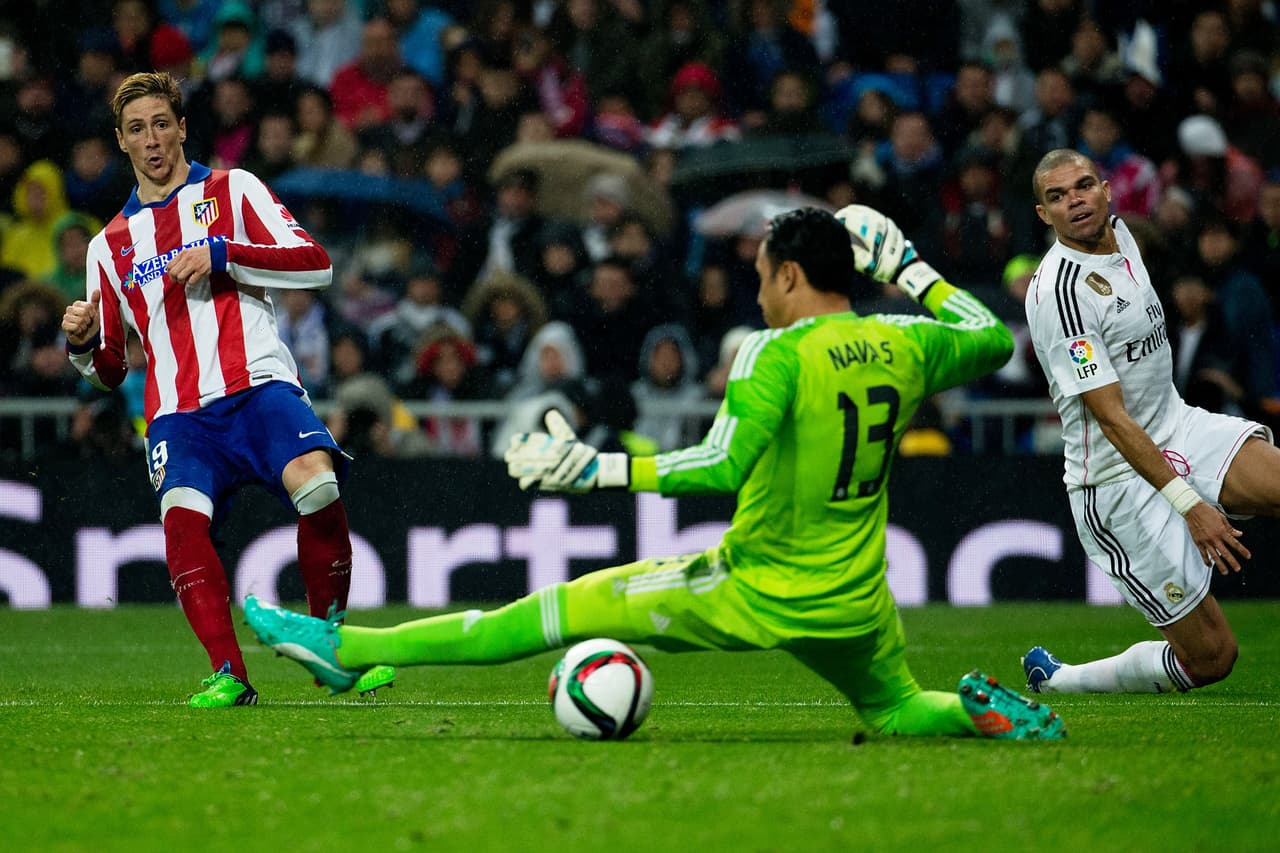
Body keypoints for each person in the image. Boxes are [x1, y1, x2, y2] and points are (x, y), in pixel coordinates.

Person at [245, 206, 1065, 741]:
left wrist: (593, 467)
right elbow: (992, 335)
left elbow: (721, 463)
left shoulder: (774, 351)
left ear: (786, 274)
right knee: (893, 706)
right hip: (855, 595)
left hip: (753, 582)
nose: (757, 291)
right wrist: (911, 267)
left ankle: (348, 646)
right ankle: (977, 711)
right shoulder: (905, 340)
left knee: (543, 612)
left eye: (760, 276)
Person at [59, 71, 394, 708]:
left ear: (182, 127)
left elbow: (316, 263)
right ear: (121, 142)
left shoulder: (233, 190)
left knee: (318, 483)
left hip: (258, 385)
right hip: (180, 414)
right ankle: (230, 675)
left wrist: (222, 254)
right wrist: (80, 341)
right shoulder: (108, 247)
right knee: (182, 521)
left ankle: (331, 647)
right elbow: (108, 370)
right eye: (137, 129)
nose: (152, 139)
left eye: (162, 123)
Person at [1019, 148, 1280, 695]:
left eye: (1083, 186)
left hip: (1178, 427)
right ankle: (1060, 681)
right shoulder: (1060, 295)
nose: (1076, 201)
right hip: (1117, 482)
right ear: (1045, 215)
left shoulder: (1123, 234)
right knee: (1212, 659)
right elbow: (1111, 420)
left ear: (1107, 189)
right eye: (1057, 197)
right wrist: (1191, 506)